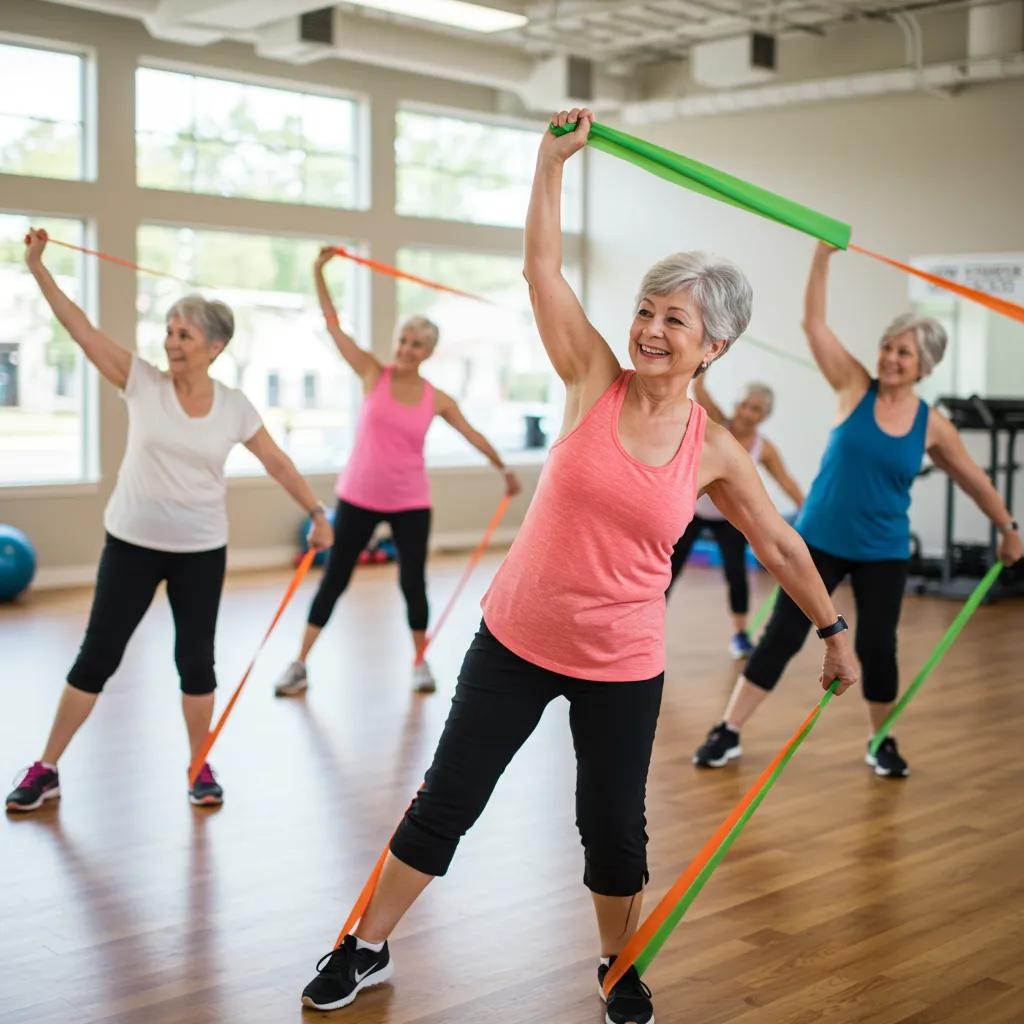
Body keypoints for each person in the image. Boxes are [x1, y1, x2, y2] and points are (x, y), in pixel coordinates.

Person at [298, 110, 859, 1024]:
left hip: (620, 664)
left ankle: (618, 964)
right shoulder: (593, 378)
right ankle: (365, 944)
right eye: (645, 310)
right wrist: (549, 162)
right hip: (515, 638)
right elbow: (542, 270)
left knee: (612, 827)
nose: (649, 329)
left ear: (714, 347)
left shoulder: (715, 450)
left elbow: (781, 545)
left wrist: (832, 631)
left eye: (673, 319)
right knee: (448, 800)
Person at [5, 228, 333, 814]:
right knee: (97, 656)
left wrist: (315, 511)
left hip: (201, 551)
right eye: (169, 331)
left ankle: (198, 765)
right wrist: (37, 267)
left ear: (215, 347)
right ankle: (47, 766)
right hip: (131, 542)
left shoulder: (233, 406)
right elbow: (80, 328)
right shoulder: (142, 382)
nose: (171, 342)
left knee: (196, 662)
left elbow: (277, 461)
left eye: (184, 334)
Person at [693, 241, 1022, 776]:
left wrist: (1007, 526)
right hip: (818, 540)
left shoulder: (932, 425)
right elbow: (814, 326)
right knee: (782, 634)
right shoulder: (853, 387)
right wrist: (821, 257)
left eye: (904, 353)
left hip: (883, 550)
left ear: (924, 366)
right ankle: (727, 729)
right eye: (888, 347)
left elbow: (973, 479)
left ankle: (880, 740)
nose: (890, 358)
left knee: (877, 646)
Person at [273, 248, 521, 698]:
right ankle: (299, 663)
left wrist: (503, 468)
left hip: (410, 501)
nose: (406, 349)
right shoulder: (373, 373)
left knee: (412, 584)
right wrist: (317, 271)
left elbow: (472, 433)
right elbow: (333, 326)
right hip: (358, 496)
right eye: (403, 340)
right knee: (335, 579)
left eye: (416, 345)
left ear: (429, 353)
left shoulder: (436, 397)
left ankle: (420, 663)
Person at [667, 373, 804, 658]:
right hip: (692, 511)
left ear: (764, 415)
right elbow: (698, 386)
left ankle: (740, 635)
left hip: (729, 517)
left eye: (756, 409)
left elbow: (785, 481)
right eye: (744, 405)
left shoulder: (764, 448)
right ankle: (648, 623)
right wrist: (704, 362)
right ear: (736, 405)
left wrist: (808, 508)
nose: (747, 413)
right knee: (669, 568)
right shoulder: (718, 423)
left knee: (737, 574)